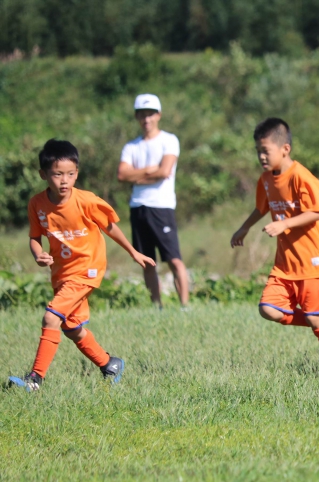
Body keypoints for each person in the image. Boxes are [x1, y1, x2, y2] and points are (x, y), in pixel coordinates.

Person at [8, 140, 155, 391]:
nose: (64, 180)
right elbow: (34, 237)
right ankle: (109, 364)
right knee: (71, 328)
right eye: (57, 174)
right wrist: (38, 254)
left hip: (87, 269)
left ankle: (35, 380)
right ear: (43, 174)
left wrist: (133, 252)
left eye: (70, 174)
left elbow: (109, 226)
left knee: (51, 317)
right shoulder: (36, 204)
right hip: (61, 273)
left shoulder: (86, 201)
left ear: (77, 173)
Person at [230, 118, 319, 372]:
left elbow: (317, 211)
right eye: (258, 151)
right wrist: (244, 227)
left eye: (266, 151)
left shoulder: (301, 177)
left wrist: (284, 224)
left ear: (285, 149)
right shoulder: (266, 179)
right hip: (285, 264)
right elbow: (261, 208)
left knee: (315, 319)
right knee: (268, 309)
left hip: (312, 263)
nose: (261, 157)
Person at [117, 94, 190, 308]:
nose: (146, 119)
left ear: (158, 115)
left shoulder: (169, 140)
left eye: (150, 114)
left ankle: (184, 305)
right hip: (138, 206)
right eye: (142, 114)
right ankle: (156, 306)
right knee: (147, 261)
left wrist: (138, 175)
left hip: (161, 206)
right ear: (136, 117)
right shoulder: (131, 146)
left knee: (174, 259)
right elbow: (122, 174)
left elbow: (164, 171)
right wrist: (150, 170)